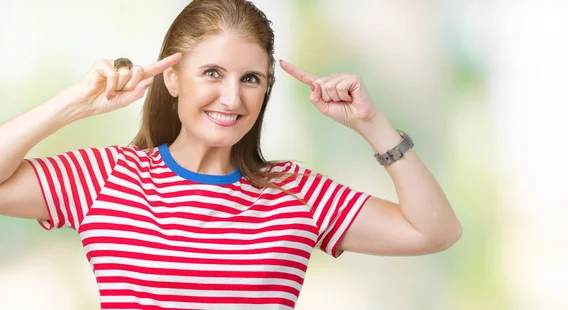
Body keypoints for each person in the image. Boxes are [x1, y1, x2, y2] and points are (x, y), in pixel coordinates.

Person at [0, 0, 462, 309]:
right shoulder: (105, 177)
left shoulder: (294, 192)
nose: (231, 98)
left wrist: (372, 124)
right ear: (174, 78)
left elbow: (434, 231)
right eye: (212, 73)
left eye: (250, 79)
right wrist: (72, 104)